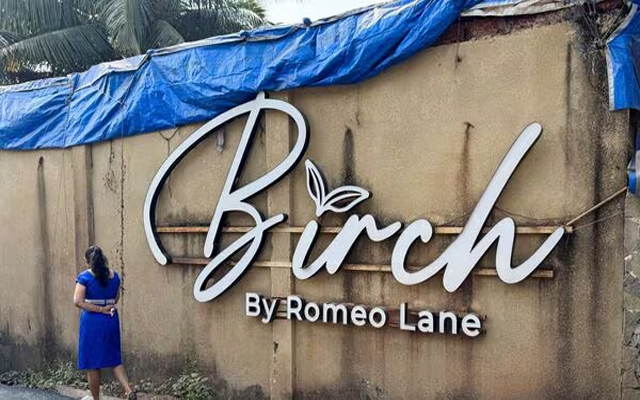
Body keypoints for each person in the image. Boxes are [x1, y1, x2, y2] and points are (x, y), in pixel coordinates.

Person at [73, 246, 136, 400]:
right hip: (111, 319)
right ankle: (128, 391)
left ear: (88, 262)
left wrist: (100, 309)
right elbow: (115, 298)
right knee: (114, 359)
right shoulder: (114, 276)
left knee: (93, 363)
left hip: (92, 322)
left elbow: (77, 301)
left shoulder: (85, 277)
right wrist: (106, 306)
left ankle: (96, 399)